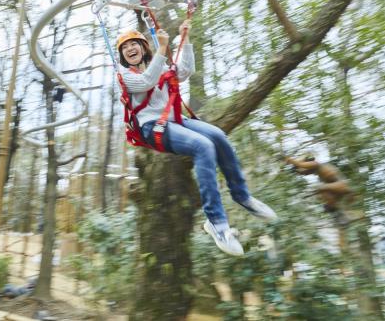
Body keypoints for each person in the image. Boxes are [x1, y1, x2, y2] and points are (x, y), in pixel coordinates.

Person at [116, 23, 277, 256]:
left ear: (143, 47)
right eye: (125, 47)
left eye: (134, 44)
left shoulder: (158, 65)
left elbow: (185, 71)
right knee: (203, 146)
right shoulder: (124, 76)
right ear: (122, 56)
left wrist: (186, 38)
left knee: (218, 136)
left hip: (175, 121)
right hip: (152, 127)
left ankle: (242, 196)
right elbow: (146, 82)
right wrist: (161, 50)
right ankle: (216, 223)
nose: (130, 49)